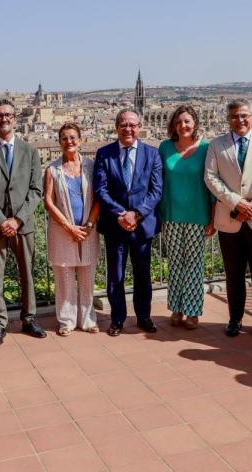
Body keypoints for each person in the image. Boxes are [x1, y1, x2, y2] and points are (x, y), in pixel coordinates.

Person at [204, 100, 252, 339]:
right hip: (229, 219)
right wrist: (236, 202)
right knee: (233, 273)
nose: (240, 120)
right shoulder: (217, 144)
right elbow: (210, 177)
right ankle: (235, 318)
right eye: (235, 116)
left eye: (244, 116)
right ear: (228, 119)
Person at [0, 99, 45, 346]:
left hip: (23, 225)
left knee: (27, 273)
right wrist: (4, 221)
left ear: (16, 119)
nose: (4, 119)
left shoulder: (30, 151)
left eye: (9, 115)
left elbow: (36, 190)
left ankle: (29, 319)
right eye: (0, 115)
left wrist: (18, 219)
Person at [94, 109, 163, 336]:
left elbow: (156, 191)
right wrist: (122, 214)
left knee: (143, 274)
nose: (128, 129)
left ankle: (144, 317)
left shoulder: (152, 154)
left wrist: (137, 214)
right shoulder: (104, 154)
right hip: (116, 225)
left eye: (132, 125)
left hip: (142, 225)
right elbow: (100, 190)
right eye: (124, 125)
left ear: (140, 127)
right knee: (115, 276)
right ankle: (117, 319)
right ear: (116, 127)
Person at [43, 123, 101, 335]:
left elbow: (98, 198)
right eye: (65, 138)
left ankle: (87, 320)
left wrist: (89, 224)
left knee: (87, 276)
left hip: (88, 229)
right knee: (64, 276)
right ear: (59, 142)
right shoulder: (52, 169)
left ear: (80, 140)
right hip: (61, 231)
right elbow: (48, 201)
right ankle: (66, 321)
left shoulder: (91, 166)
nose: (69, 141)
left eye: (73, 137)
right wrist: (68, 227)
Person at [160, 105, 214, 329]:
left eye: (188, 122)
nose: (183, 126)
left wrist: (212, 218)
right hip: (171, 214)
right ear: (174, 125)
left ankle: (192, 311)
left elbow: (211, 185)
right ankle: (176, 307)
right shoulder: (164, 148)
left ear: (195, 124)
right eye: (180, 122)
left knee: (194, 264)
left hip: (198, 214)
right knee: (175, 263)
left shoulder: (206, 149)